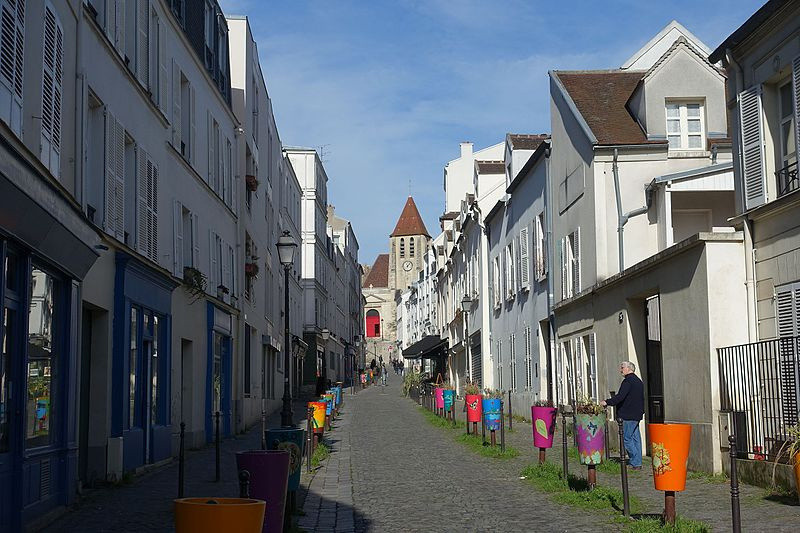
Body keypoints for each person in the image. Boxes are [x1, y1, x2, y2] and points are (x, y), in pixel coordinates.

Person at [601, 361, 644, 469]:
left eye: (622, 368)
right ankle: (637, 463)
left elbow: (620, 397)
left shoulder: (628, 381)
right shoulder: (638, 381)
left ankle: (635, 461)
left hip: (628, 414)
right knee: (635, 438)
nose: (621, 370)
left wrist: (607, 402)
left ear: (629, 368)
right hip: (636, 414)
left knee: (627, 439)